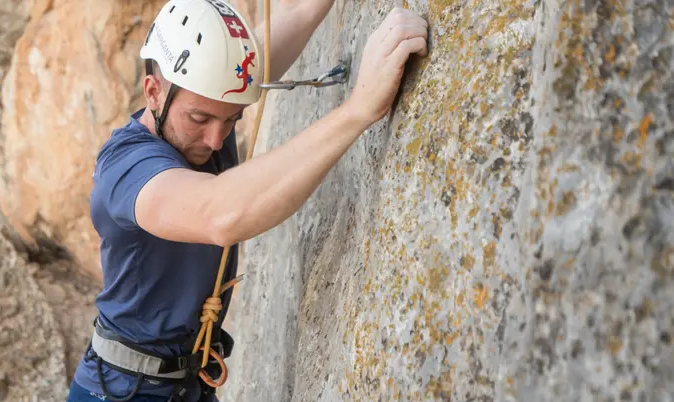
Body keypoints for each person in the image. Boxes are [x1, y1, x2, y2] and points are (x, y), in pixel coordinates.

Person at [67, 0, 428, 401]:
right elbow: (220, 214)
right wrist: (360, 109)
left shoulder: (203, 109)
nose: (216, 140)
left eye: (233, 119)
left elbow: (285, 29)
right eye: (200, 119)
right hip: (119, 392)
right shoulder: (126, 168)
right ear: (154, 92)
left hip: (187, 385)